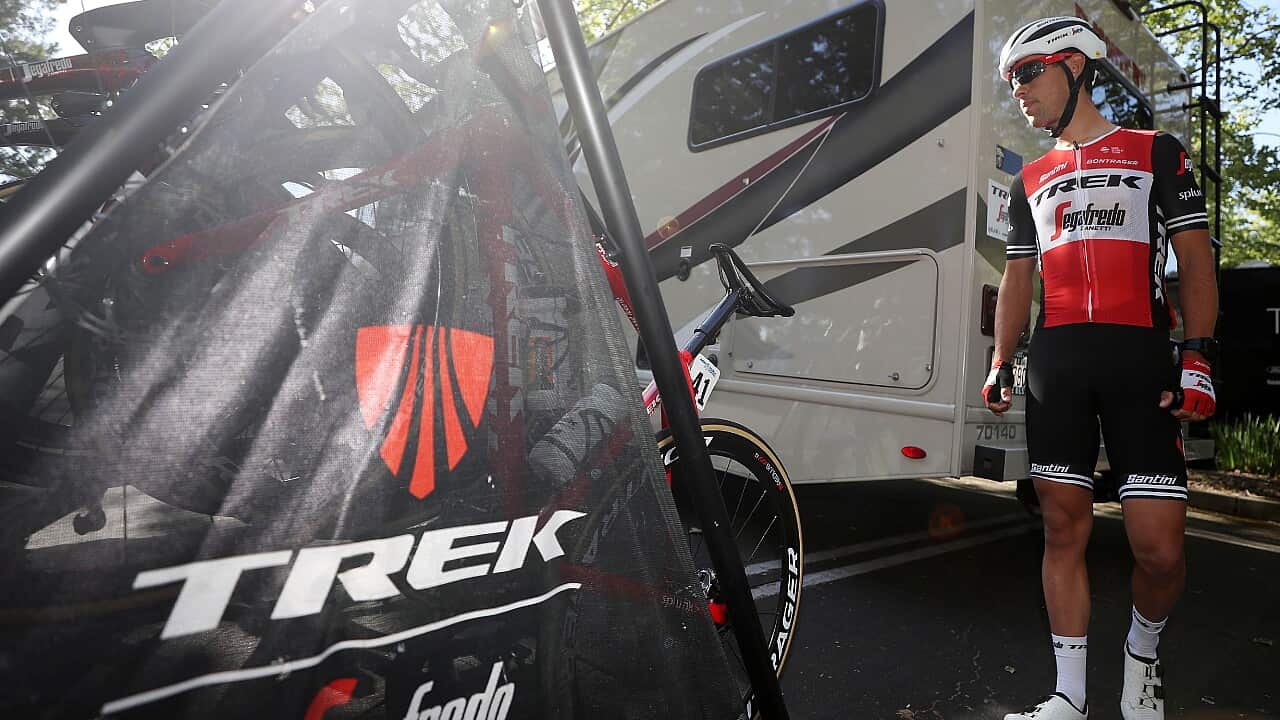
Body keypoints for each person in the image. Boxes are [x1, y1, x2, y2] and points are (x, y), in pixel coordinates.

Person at [983, 16, 1219, 720]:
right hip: (1058, 361)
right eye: (1011, 82)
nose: (1020, 92)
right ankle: (1070, 696)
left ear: (1076, 65)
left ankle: (1142, 656)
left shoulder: (1156, 152)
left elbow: (1196, 260)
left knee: (1159, 551)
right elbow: (1017, 278)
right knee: (1062, 530)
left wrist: (1198, 355)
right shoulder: (1029, 177)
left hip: (1139, 356)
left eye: (1029, 73)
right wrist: (1001, 360)